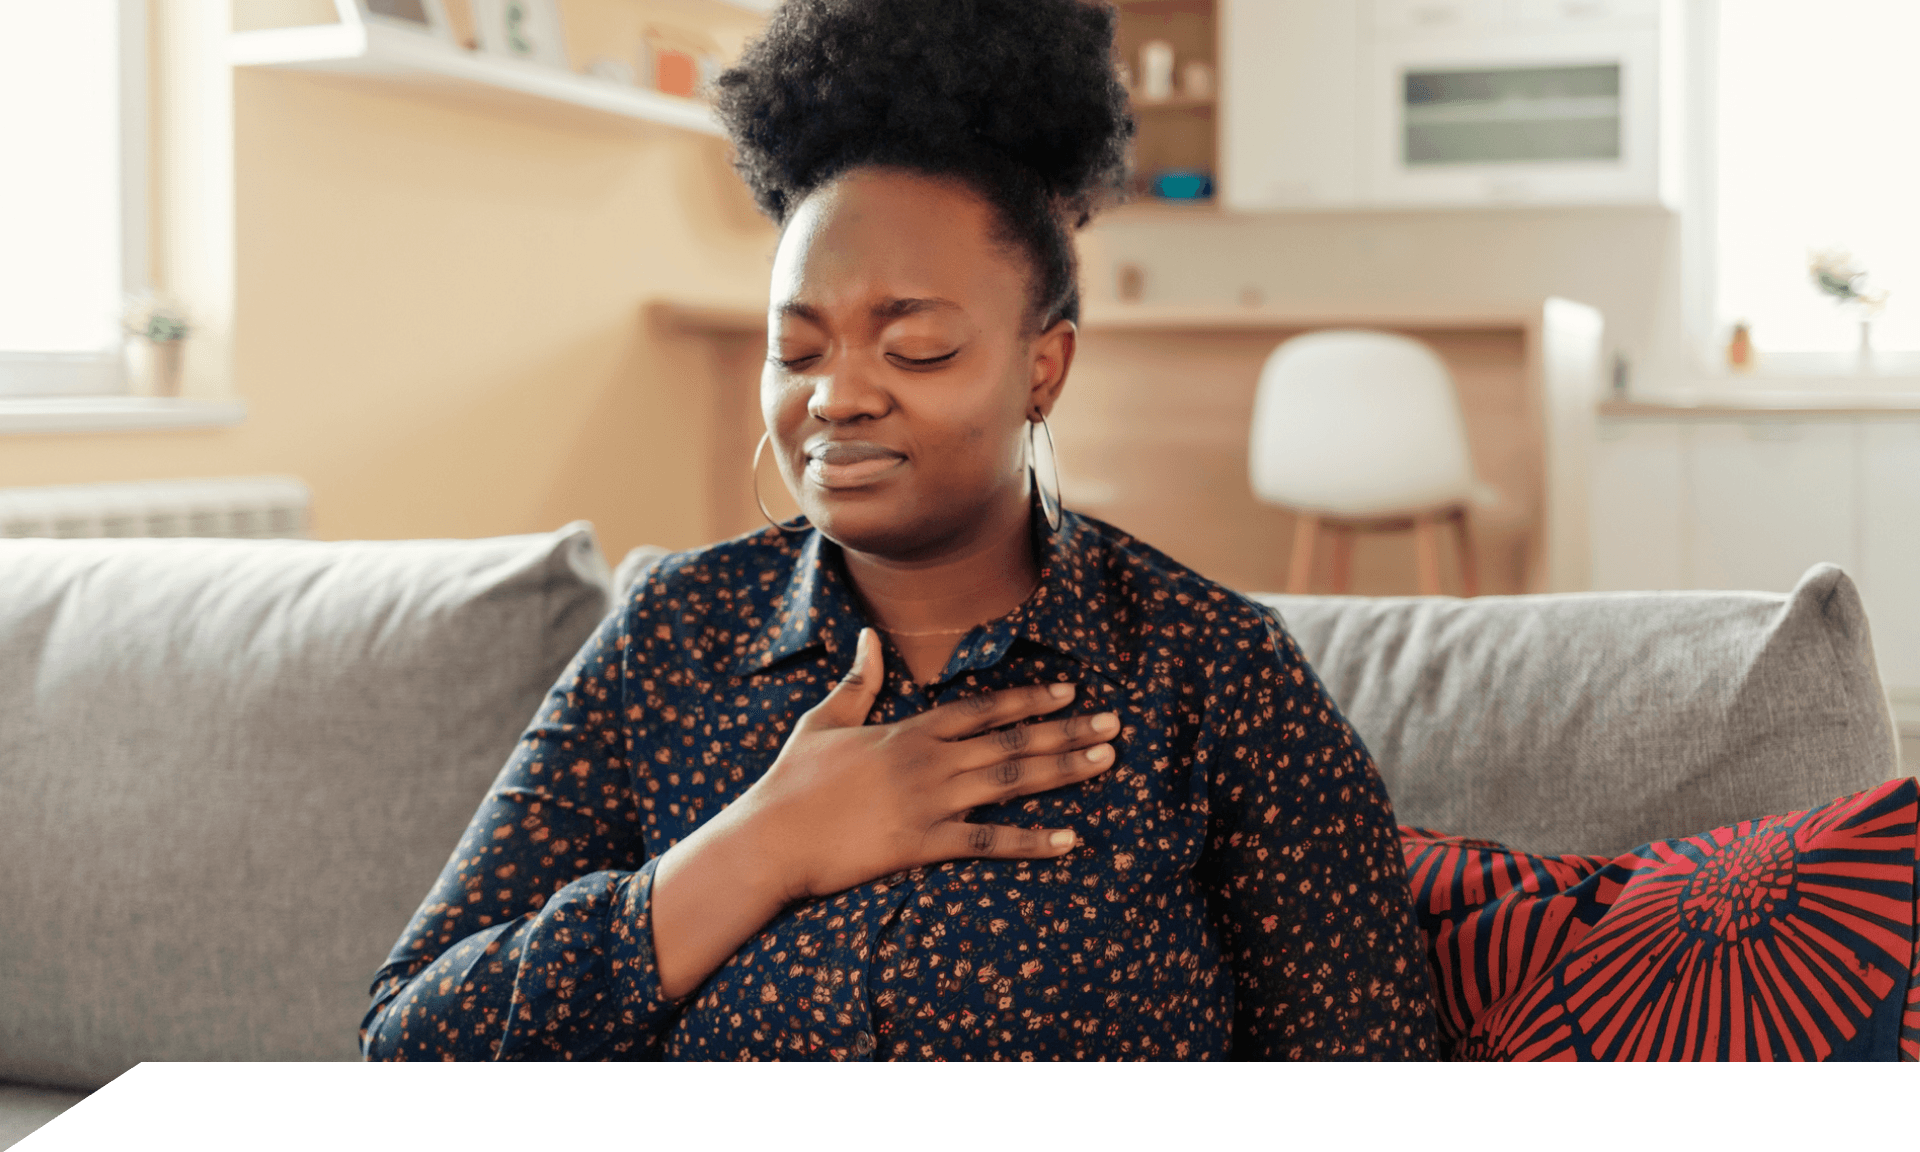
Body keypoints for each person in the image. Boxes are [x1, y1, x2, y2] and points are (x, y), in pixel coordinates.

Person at [360, 0, 1438, 1061]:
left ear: (1043, 368)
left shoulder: (1213, 675)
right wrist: (761, 847)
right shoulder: (674, 640)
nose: (836, 396)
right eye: (797, 351)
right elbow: (411, 1046)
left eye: (916, 348)